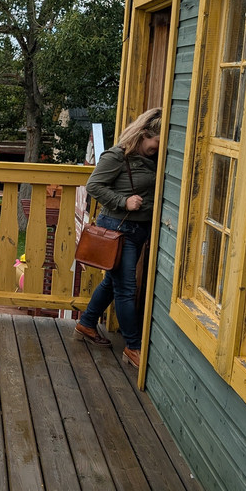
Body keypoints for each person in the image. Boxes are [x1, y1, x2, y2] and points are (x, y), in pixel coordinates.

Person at [74, 108, 162, 368]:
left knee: (113, 283)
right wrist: (124, 201)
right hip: (118, 229)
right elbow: (94, 186)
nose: (158, 148)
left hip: (137, 231)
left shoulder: (153, 159)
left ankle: (87, 324)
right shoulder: (118, 156)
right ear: (145, 134)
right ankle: (133, 347)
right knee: (125, 289)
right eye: (156, 142)